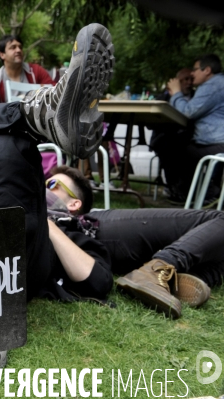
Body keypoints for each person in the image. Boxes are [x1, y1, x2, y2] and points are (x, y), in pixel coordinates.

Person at [0, 22, 115, 370]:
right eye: (50, 183)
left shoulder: (81, 223)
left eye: (63, 189)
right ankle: (37, 114)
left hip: (13, 262)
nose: (51, 187)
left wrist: (48, 219)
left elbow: (98, 280)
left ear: (77, 205)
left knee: (4, 147)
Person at [46, 165, 217, 321]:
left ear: (74, 203)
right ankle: (160, 267)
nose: (45, 186)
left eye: (52, 183)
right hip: (96, 230)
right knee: (219, 219)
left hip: (92, 235)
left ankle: (181, 280)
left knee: (217, 246)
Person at [167, 54, 224, 202]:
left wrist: (176, 93)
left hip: (217, 144)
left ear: (207, 70)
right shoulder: (218, 84)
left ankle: (205, 194)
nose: (192, 73)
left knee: (175, 150)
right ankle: (199, 194)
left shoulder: (212, 86)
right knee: (181, 148)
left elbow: (187, 112)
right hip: (217, 142)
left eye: (195, 69)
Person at [150, 68, 195, 203]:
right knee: (168, 148)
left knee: (186, 151)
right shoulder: (164, 97)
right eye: (185, 79)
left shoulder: (197, 97)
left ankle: (183, 190)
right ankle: (174, 188)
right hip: (167, 138)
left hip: (188, 139)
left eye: (191, 79)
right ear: (176, 82)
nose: (189, 83)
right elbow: (152, 122)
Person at [0, 34, 55, 107]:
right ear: (2, 55)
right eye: (13, 47)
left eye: (20, 47)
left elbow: (55, 92)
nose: (18, 50)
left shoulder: (36, 71)